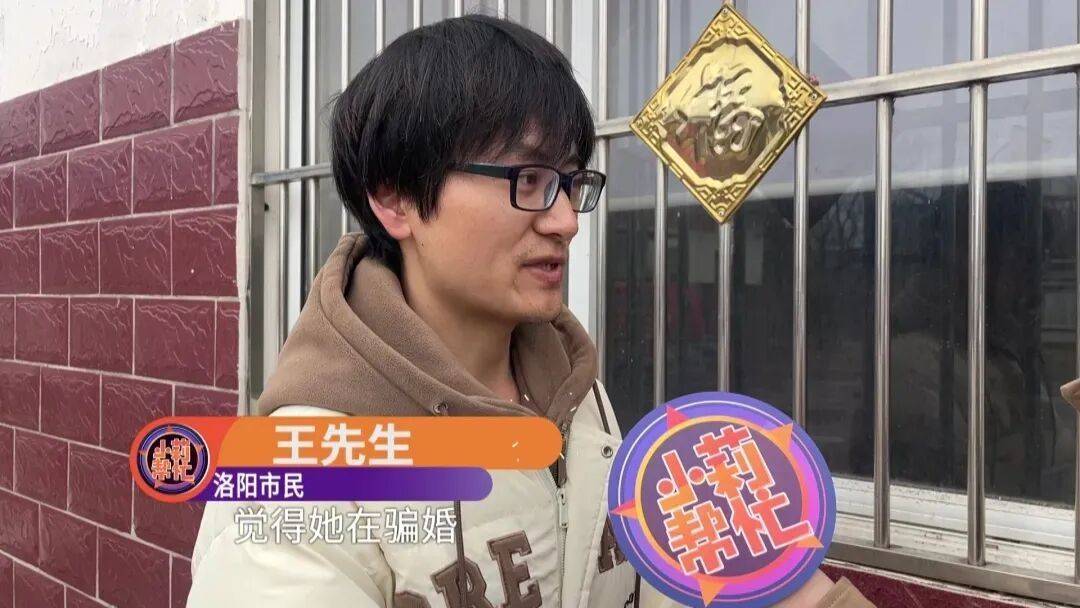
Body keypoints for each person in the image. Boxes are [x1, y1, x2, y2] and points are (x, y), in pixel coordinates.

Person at [186, 13, 873, 608]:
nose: (566, 221)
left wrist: (774, 575)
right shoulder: (297, 482)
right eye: (529, 180)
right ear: (394, 199)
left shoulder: (577, 395)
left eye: (571, 183)